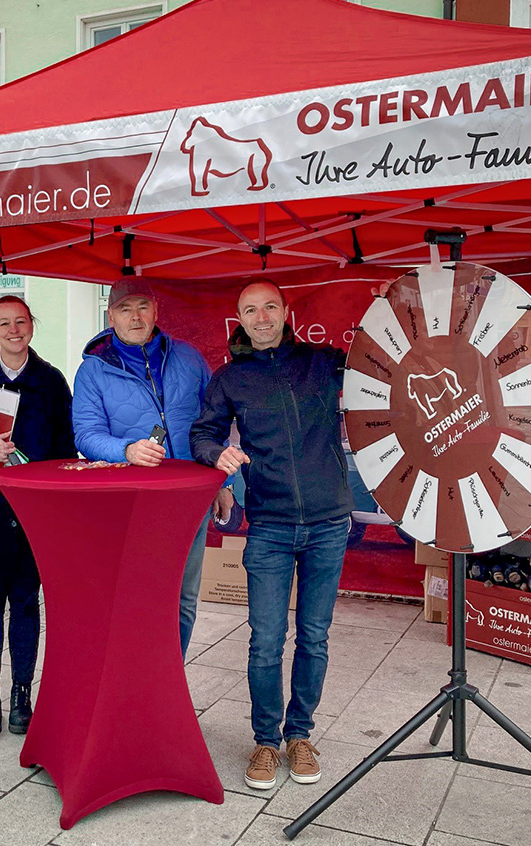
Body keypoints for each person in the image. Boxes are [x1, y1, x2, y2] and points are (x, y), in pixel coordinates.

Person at [190, 280, 352, 791]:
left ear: (287, 311)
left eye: (269, 307)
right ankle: (265, 741)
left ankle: (300, 735)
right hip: (271, 526)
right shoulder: (230, 379)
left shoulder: (324, 362)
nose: (261, 317)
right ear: (239, 318)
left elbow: (384, 365)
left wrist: (399, 302)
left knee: (315, 637)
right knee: (265, 641)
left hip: (329, 521)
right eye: (250, 310)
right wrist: (217, 455)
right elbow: (202, 432)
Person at [72, 278, 233, 657]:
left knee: (184, 597)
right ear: (111, 316)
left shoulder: (189, 358)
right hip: (131, 502)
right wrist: (125, 450)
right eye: (125, 309)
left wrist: (222, 483)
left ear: (157, 311)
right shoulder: (93, 371)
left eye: (143, 307)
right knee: (137, 597)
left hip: (189, 499)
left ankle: (170, 680)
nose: (135, 316)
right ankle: (136, 679)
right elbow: (86, 434)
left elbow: (214, 425)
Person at [0, 296, 76, 737]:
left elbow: (66, 448)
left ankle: (23, 692)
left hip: (35, 512)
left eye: (20, 322)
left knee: (26, 602)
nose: (13, 330)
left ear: (32, 326)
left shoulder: (51, 380)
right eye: (3, 323)